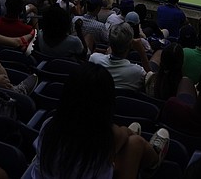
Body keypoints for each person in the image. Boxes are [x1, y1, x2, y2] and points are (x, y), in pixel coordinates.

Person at [31, 62, 168, 179]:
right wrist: (127, 133)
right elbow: (119, 134)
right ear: (106, 105)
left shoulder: (48, 126)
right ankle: (154, 158)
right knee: (135, 143)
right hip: (103, 149)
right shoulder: (104, 140)